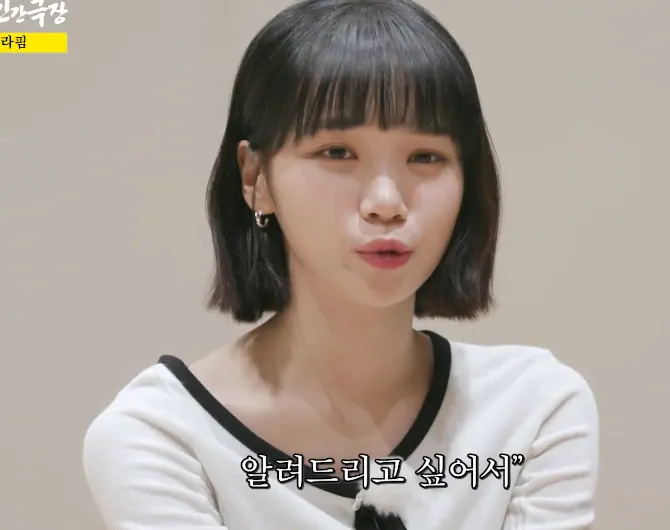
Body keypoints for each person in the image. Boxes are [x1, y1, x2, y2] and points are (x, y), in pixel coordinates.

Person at [82, 0, 599, 528]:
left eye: (426, 156)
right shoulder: (162, 435)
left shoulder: (534, 408)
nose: (386, 203)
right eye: (336, 152)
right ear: (255, 178)